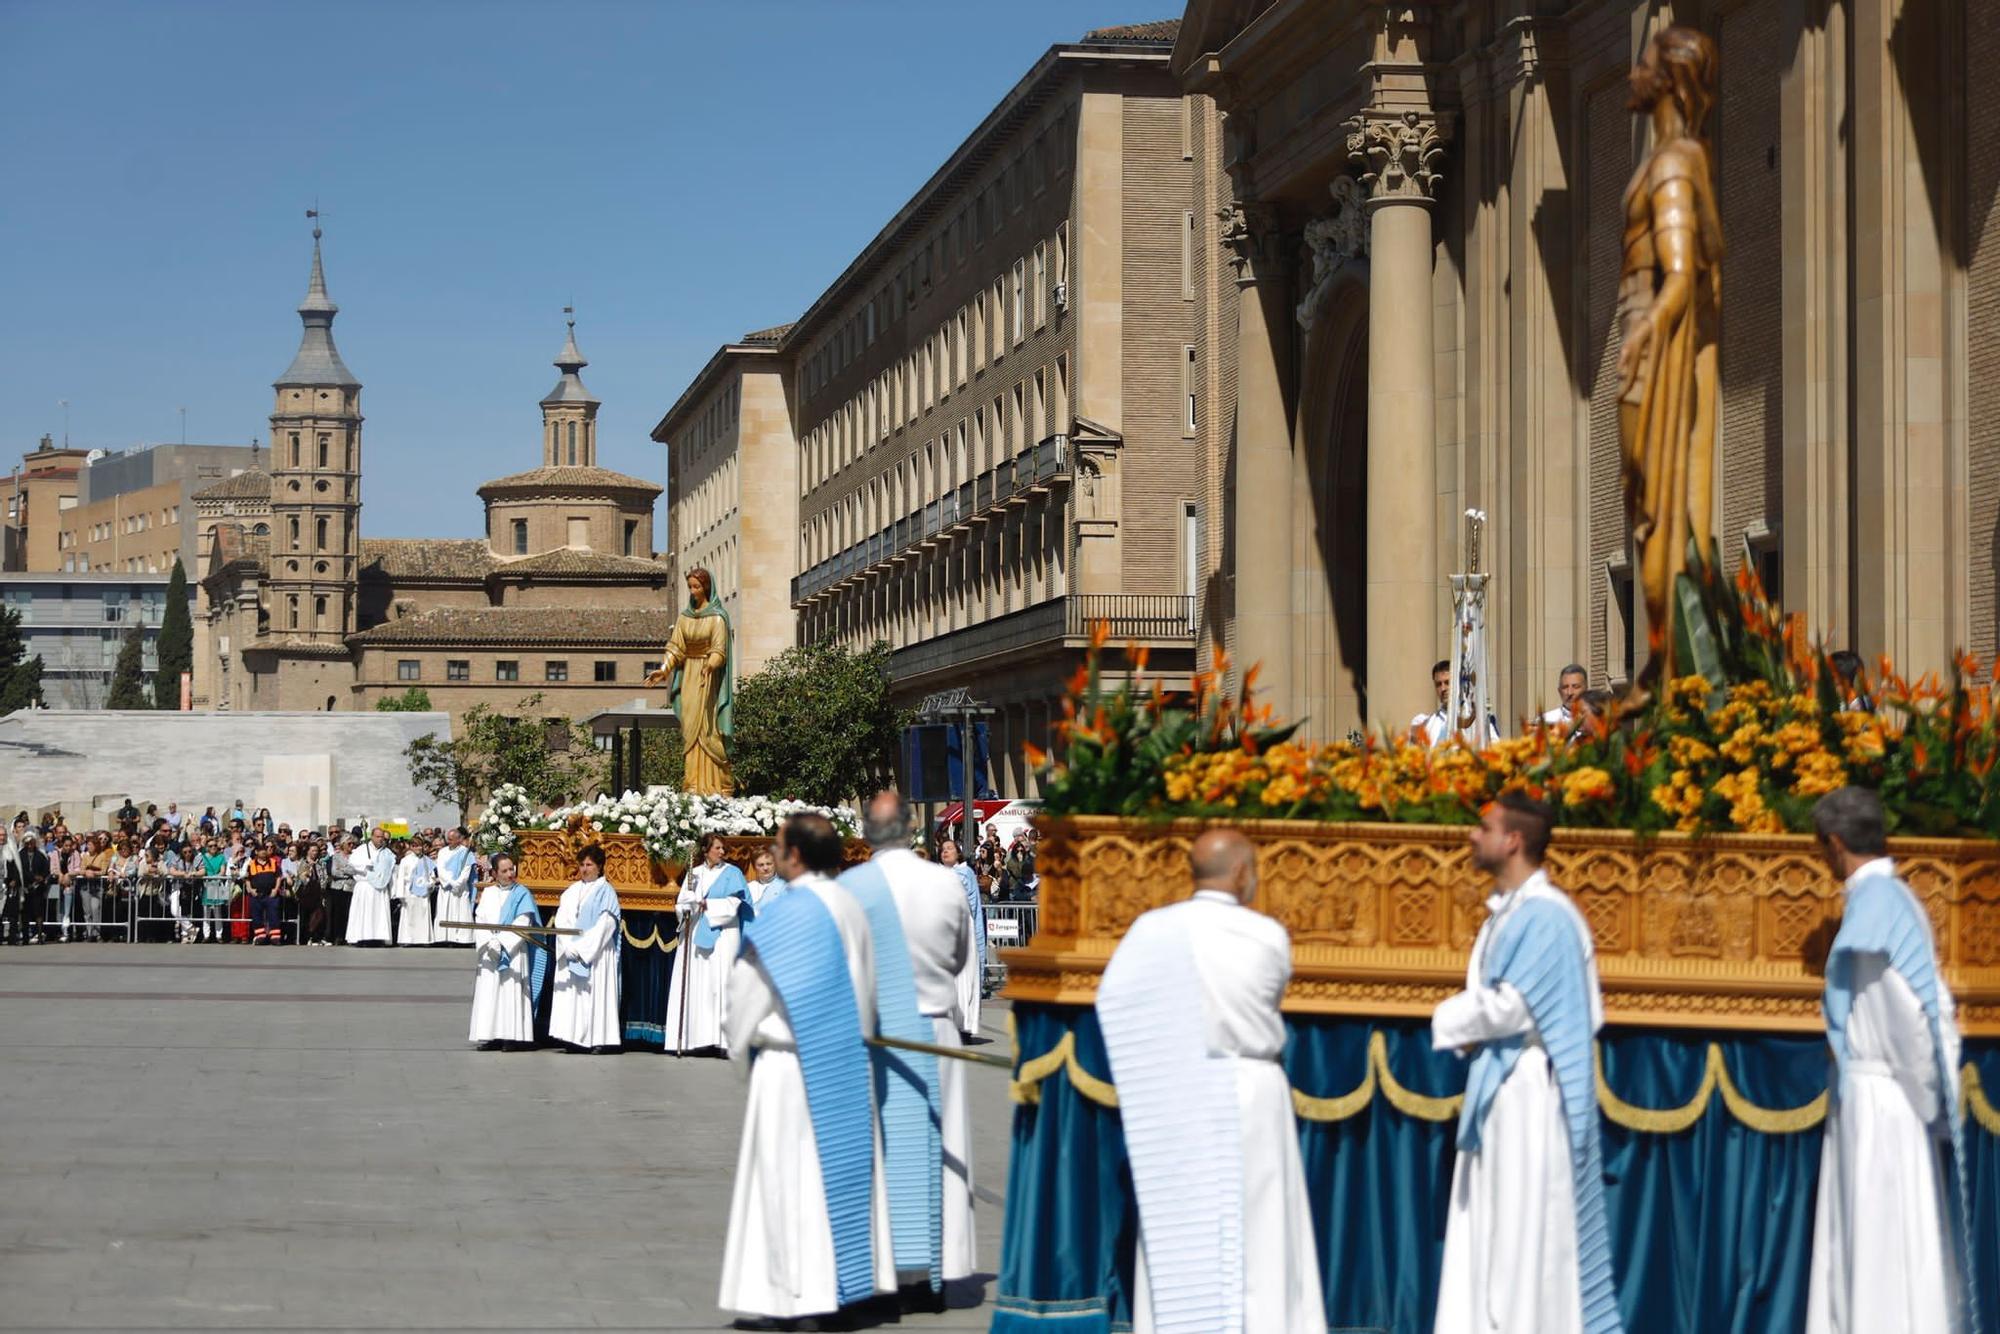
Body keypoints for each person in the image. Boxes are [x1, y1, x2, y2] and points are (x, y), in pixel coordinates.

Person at [1095, 827, 1323, 1333]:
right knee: (1260, 1232)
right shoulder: (1267, 935)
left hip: (1177, 1090)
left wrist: (1149, 1065)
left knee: (1182, 1230)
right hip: (1251, 1092)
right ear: (1241, 873)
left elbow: (1112, 1002)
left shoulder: (1152, 930)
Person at [1431, 794, 1618, 1334]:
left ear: (1512, 840)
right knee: (1494, 1225)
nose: (1472, 835)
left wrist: (1448, 1019)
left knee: (1522, 1229)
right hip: (1503, 1084)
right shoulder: (1509, 911)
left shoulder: (1548, 917)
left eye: (1483, 827)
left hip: (1529, 1091)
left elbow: (1516, 1005)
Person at [1805, 786, 1972, 1332]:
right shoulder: (1893, 900)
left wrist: (1924, 1101)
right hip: (1883, 1097)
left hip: (1883, 1105)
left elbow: (1906, 1018)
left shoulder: (1876, 908)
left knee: (1880, 1248)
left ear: (1834, 843)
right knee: (1876, 1243)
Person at [719, 813, 896, 1325]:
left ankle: (788, 1294)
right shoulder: (849, 904)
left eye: (777, 846)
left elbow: (747, 993)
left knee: (784, 1179)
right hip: (845, 1059)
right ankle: (833, 1288)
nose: (773, 853)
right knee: (832, 1179)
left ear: (794, 855)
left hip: (788, 1065)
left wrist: (740, 1048)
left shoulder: (788, 913)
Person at [843, 792, 975, 1297]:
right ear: (912, 828)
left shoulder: (852, 887)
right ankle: (934, 1270)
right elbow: (963, 955)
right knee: (938, 1149)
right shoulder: (944, 884)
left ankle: (880, 1267)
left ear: (867, 831)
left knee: (878, 1151)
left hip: (875, 1028)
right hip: (934, 1027)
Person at [643, 565, 736, 795]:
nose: (692, 591)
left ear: (705, 587)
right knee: (689, 728)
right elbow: (675, 648)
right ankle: (692, 783)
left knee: (709, 729)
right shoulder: (684, 618)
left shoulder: (717, 618)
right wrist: (663, 670)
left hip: (708, 678)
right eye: (690, 587)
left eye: (696, 587)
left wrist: (710, 665)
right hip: (689, 677)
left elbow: (719, 649)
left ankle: (720, 785)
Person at [665, 832, 754, 1055]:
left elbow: (734, 903)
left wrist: (706, 904)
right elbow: (682, 904)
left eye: (723, 848)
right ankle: (695, 1039)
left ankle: (725, 1042)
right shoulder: (693, 874)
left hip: (723, 935)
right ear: (706, 850)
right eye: (717, 848)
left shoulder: (732, 873)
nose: (722, 852)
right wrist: (686, 907)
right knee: (699, 986)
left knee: (721, 985)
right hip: (696, 933)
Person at [549, 844, 623, 1051]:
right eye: (581, 864)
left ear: (599, 866)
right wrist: (567, 944)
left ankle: (596, 1039)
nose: (584, 869)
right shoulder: (572, 891)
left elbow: (606, 924)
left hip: (595, 954)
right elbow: (562, 919)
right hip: (571, 949)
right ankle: (572, 1038)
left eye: (589, 865)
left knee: (594, 997)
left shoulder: (606, 891)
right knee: (572, 996)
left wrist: (583, 950)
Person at [470, 853, 545, 1048]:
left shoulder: (522, 894)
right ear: (494, 873)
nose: (510, 874)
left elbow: (523, 922)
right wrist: (489, 941)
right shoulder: (488, 893)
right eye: (504, 871)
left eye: (512, 869)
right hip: (490, 951)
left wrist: (502, 942)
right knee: (490, 993)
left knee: (509, 993)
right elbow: (481, 919)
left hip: (512, 953)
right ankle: (490, 1035)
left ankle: (510, 1036)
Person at [937, 838, 987, 1040]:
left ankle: (964, 1025)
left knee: (964, 977)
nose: (945, 852)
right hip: (943, 929)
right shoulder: (936, 873)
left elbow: (972, 905)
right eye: (942, 849)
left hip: (962, 927)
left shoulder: (965, 873)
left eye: (950, 849)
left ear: (958, 853)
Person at [1413, 659, 1500, 748]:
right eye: (1438, 684)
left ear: (1458, 683)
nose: (1443, 689)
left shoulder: (1479, 720)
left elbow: (1496, 749)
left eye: (1447, 683)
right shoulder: (1428, 724)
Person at [346, 827, 396, 946]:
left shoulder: (387, 853)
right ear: (372, 837)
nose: (380, 840)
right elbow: (352, 863)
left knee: (378, 915)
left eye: (382, 838)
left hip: (380, 888)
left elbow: (391, 869)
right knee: (365, 913)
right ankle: (363, 937)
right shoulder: (362, 850)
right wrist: (366, 865)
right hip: (365, 886)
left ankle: (378, 937)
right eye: (378, 837)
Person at [432, 827, 476, 946]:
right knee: (444, 912)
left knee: (461, 912)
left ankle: (462, 939)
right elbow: (440, 870)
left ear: (458, 840)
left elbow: (466, 872)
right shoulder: (442, 852)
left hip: (460, 890)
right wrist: (451, 882)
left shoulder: (466, 853)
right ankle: (444, 938)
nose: (449, 842)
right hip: (446, 888)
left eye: (452, 839)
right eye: (448, 839)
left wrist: (458, 884)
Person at [394, 836, 437, 946]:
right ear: (412, 847)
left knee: (423, 915)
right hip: (410, 891)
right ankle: (408, 939)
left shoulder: (427, 861)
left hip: (423, 892)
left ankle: (423, 939)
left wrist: (431, 883)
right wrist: (400, 894)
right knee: (409, 916)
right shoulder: (405, 860)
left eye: (420, 845)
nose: (418, 848)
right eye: (415, 846)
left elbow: (432, 875)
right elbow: (401, 878)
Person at [246, 840, 285, 945]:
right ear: (256, 852)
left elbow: (278, 877)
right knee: (257, 916)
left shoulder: (273, 862)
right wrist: (250, 889)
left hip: (271, 894)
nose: (263, 852)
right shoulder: (251, 864)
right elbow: (247, 879)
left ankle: (275, 938)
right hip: (256, 895)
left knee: (274, 916)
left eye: (264, 850)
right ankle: (260, 937)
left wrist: (275, 889)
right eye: (260, 850)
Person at [325, 834, 357, 944]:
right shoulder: (336, 856)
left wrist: (343, 869)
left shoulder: (355, 856)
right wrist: (347, 871)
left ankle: (347, 936)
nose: (351, 846)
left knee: (349, 913)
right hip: (338, 887)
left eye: (353, 844)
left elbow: (355, 871)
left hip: (350, 887)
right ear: (343, 844)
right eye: (349, 844)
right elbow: (334, 872)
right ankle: (337, 936)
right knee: (338, 914)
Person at [1540, 664, 1589, 731]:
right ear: (1559, 691)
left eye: (1576, 687)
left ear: (1586, 689)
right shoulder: (1546, 721)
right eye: (1565, 687)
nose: (1570, 692)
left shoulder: (1599, 720)